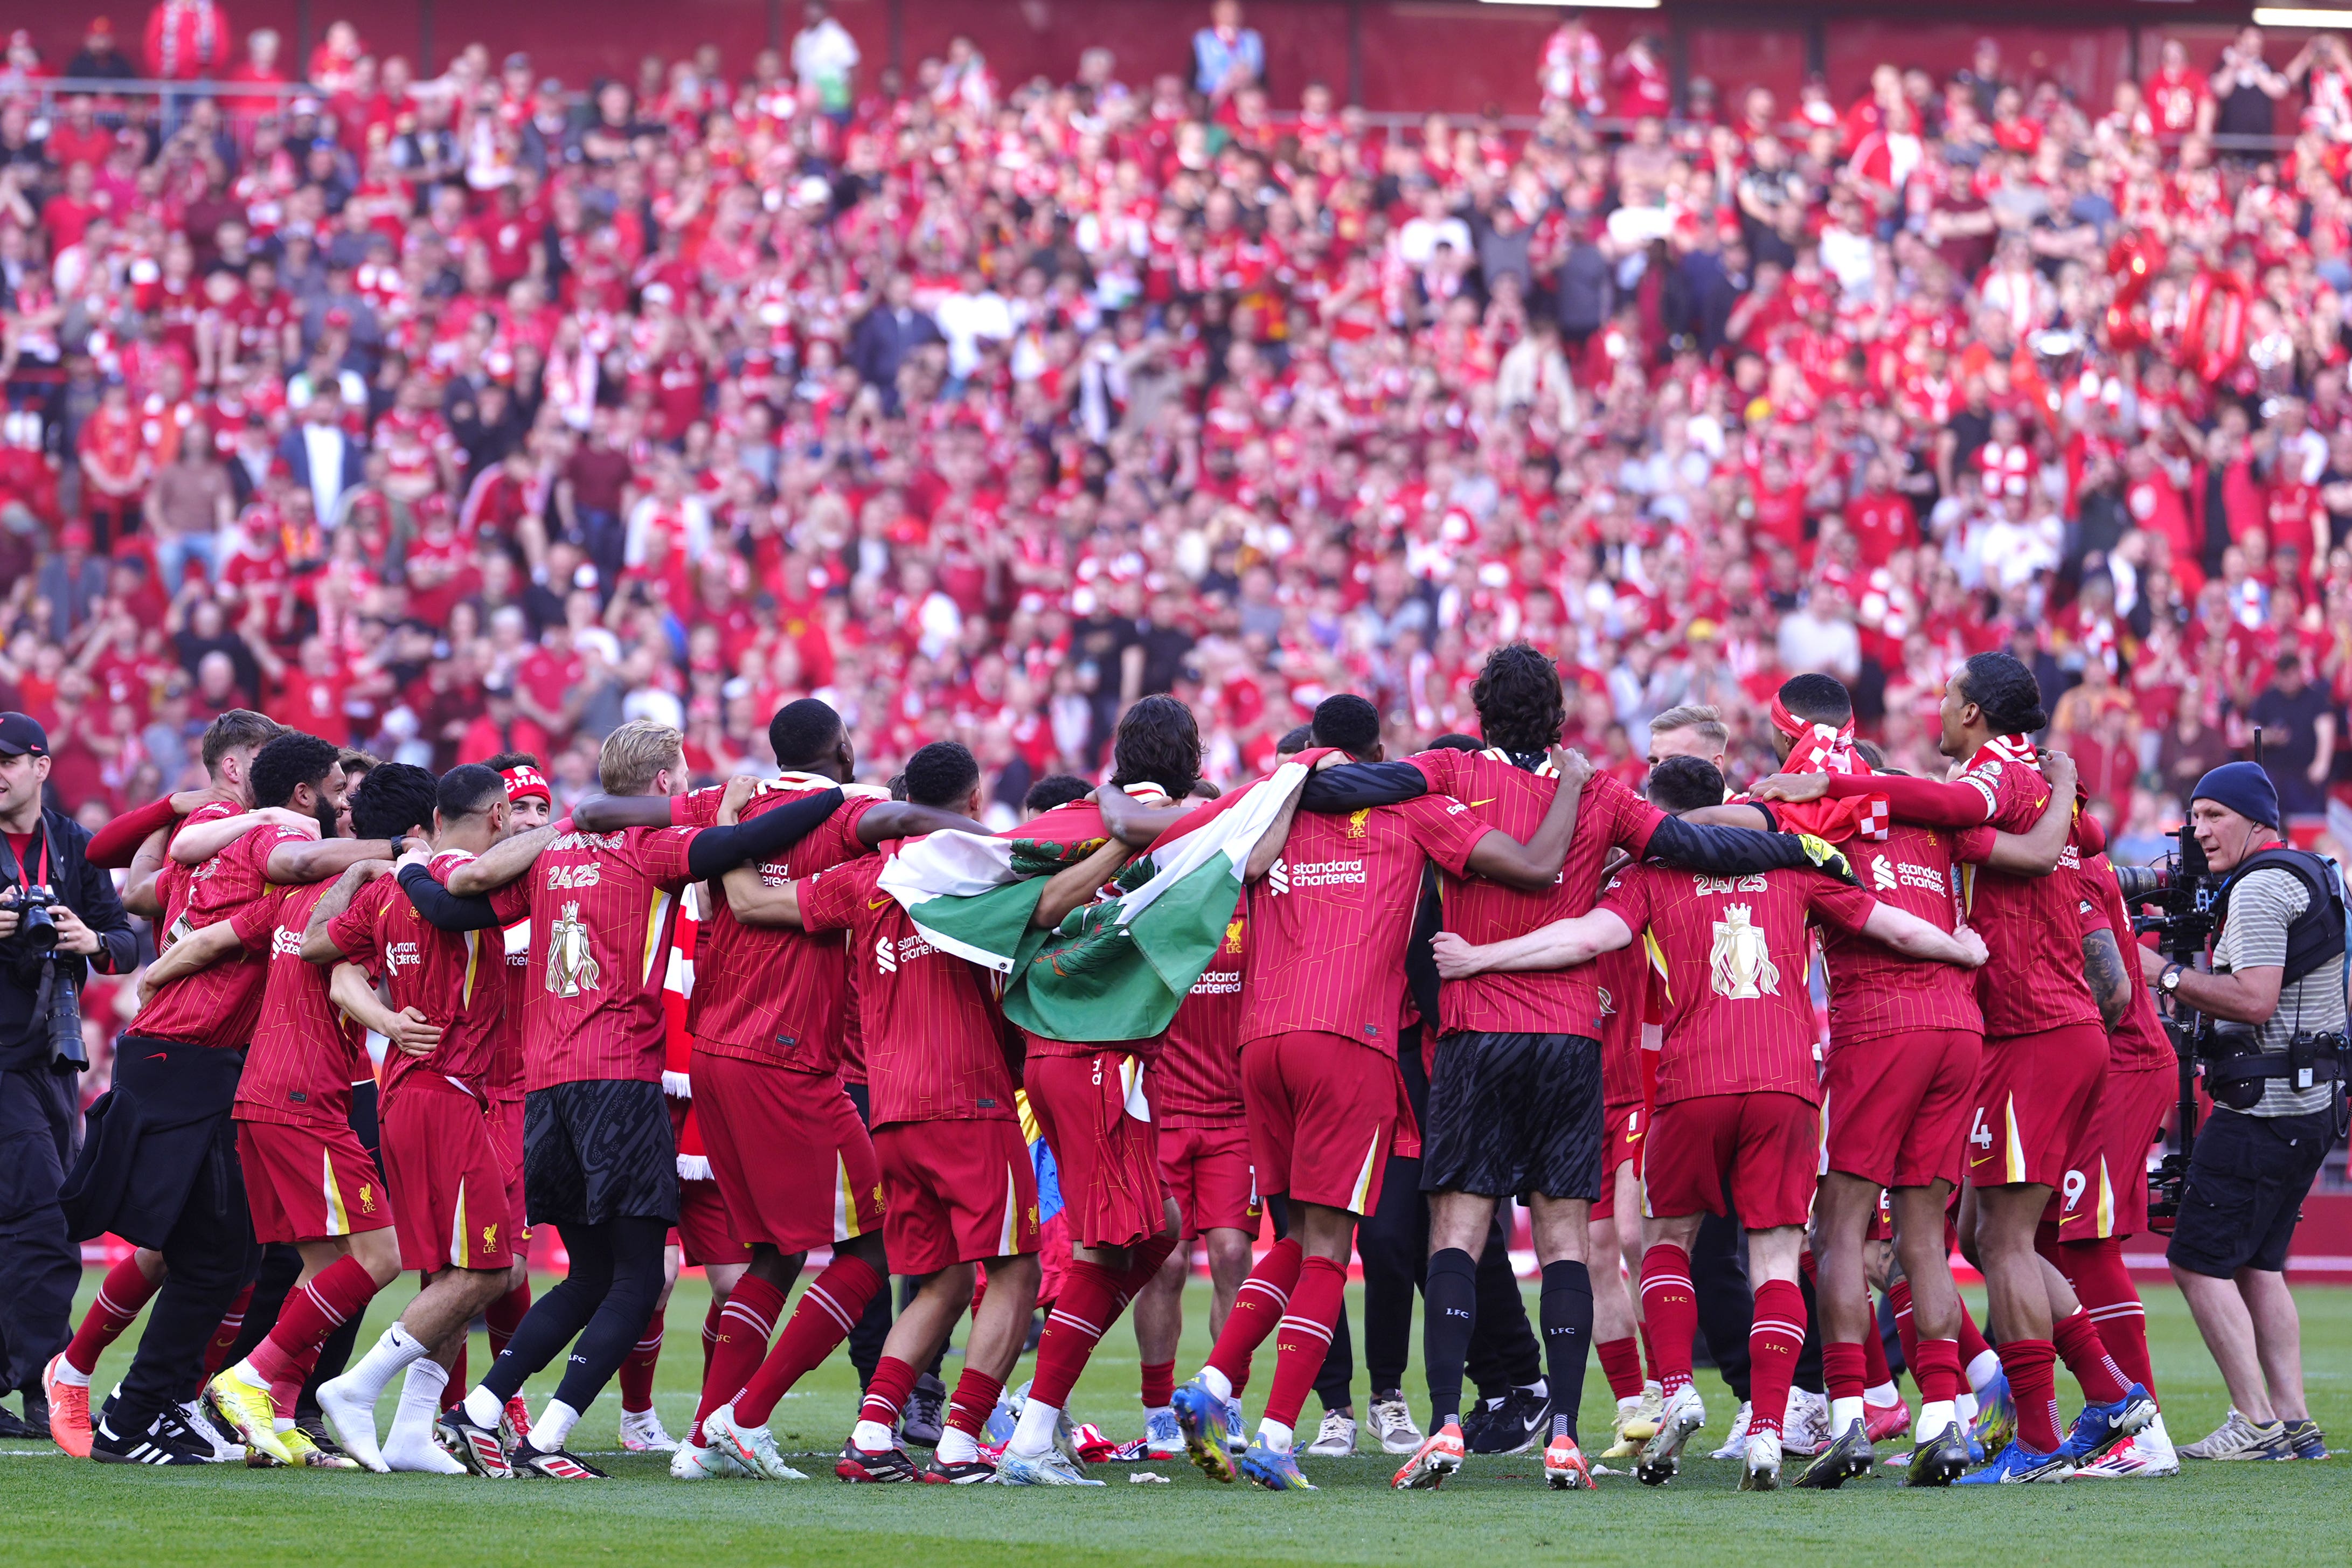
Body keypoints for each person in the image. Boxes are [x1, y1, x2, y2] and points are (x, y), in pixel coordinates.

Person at [1432, 753, 1987, 1491]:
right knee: (1775, 1257)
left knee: (1664, 1238)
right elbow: (1897, 927)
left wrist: (1479, 957)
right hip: (1787, 1082)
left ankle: (1675, 1388)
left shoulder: (1651, 875)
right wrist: (1961, 947)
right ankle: (1765, 1428)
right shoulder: (1795, 869)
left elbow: (1580, 939)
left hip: (1696, 1080)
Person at [1161, 692, 1586, 1493]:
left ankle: (1215, 1383)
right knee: (1330, 1252)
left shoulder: (1266, 808)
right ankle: (1280, 1434)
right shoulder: (1411, 809)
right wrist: (1568, 785)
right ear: (1380, 748)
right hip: (1347, 1044)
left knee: (1290, 1241)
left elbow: (1189, 843)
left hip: (1261, 1045)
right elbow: (1533, 866)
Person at [1758, 651, 2162, 1483]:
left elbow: (1958, 807)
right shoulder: (2032, 782)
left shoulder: (1991, 774)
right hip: (2006, 1027)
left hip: (2026, 1027)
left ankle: (2040, 1439)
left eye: (1944, 697)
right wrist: (2049, 808)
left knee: (1989, 1237)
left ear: (1973, 712)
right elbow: (2070, 834)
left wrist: (1843, 791)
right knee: (1971, 1232)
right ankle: (2110, 1396)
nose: (1934, 710)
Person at [410, 720, 849, 1479]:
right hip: (618, 1076)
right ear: (660, 785)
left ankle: (480, 1411)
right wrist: (827, 794)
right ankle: (543, 1441)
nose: (683, 787)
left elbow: (458, 904)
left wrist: (410, 867)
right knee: (639, 1278)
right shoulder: (646, 848)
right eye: (677, 777)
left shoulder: (551, 852)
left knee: (586, 1275)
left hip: (549, 1087)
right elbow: (742, 845)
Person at [702, 739, 1128, 1482]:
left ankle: (871, 1430)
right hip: (968, 1099)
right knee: (1015, 1271)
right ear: (969, 803)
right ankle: (962, 1438)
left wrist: (731, 830)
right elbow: (1053, 902)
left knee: (943, 1280)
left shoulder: (865, 877)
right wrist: (1122, 842)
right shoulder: (975, 872)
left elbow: (749, 902)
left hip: (891, 1112)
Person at [585, 699, 989, 1482]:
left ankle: (704, 1434)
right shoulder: (844, 809)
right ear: (840, 748)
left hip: (716, 1057)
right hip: (788, 1061)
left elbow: (599, 809)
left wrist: (717, 815)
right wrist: (997, 836)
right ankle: (749, 1414)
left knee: (772, 1254)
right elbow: (907, 817)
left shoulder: (728, 800)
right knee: (873, 1244)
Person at [62, 729, 394, 1465]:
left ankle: (164, 1400)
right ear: (299, 793)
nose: (346, 810)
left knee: (222, 1251)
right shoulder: (269, 834)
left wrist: (162, 956)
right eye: (338, 792)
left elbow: (148, 886)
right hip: (187, 1057)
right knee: (202, 1254)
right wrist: (399, 848)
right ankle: (117, 1401)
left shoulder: (217, 839)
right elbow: (291, 861)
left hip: (202, 1059)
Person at [299, 764, 543, 1474]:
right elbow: (451, 907)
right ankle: (358, 1386)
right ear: (497, 817)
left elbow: (321, 948)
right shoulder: (471, 880)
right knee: (491, 1270)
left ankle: (412, 1429)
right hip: (451, 1089)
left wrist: (369, 872)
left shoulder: (386, 886)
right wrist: (564, 831)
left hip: (410, 1090)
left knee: (446, 1268)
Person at [2147, 762, 2342, 1462]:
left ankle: (2254, 1420)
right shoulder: (2313, 872)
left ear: (2258, 820)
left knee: (2197, 1260)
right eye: (2194, 817)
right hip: (2308, 1101)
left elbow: (2256, 998)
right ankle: (2293, 1423)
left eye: (2214, 816)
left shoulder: (2260, 888)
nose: (2199, 831)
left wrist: (2166, 975)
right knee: (2259, 1264)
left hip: (2264, 1105)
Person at [0, 713, 136, 1443]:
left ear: (41, 765)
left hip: (52, 1052)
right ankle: (39, 1377)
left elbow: (128, 939)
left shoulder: (75, 845)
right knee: (45, 1219)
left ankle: (19, 1376)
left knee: (27, 1218)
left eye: (9, 760)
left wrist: (91, 939)